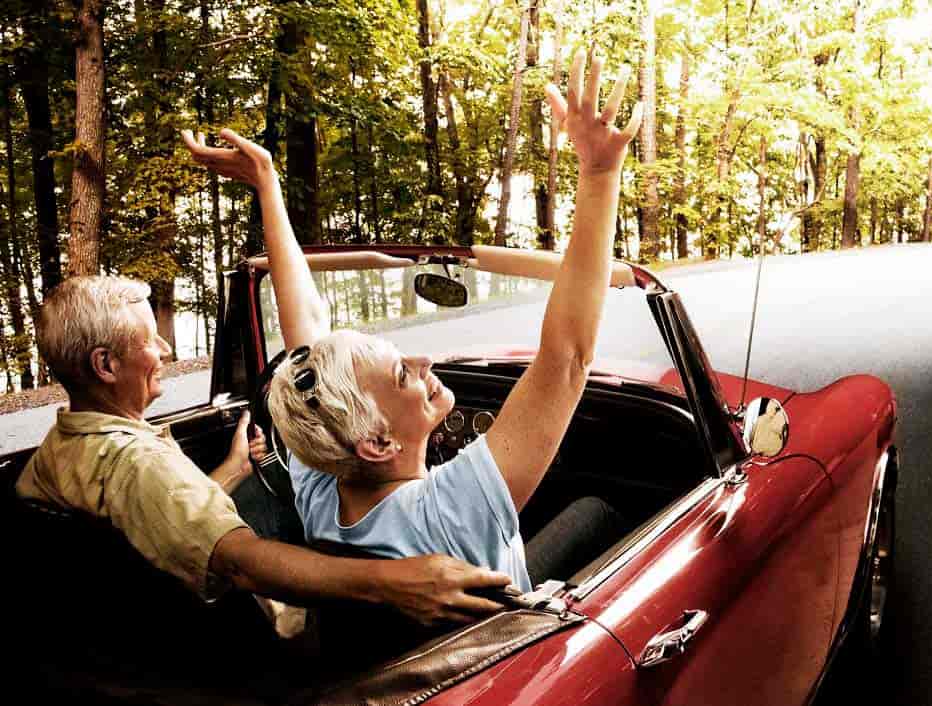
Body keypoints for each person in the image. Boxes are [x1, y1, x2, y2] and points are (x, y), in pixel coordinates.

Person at [181, 49, 638, 592]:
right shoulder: (454, 508)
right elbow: (566, 357)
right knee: (598, 511)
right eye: (402, 374)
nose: (423, 362)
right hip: (518, 635)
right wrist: (601, 172)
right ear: (377, 443)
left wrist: (268, 187)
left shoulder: (325, 479)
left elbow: (306, 326)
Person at [14, 276, 512, 626]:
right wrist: (398, 580)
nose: (166, 350)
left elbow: (153, 514)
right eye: (150, 340)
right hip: (254, 646)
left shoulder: (63, 447)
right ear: (105, 365)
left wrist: (231, 471)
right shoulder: (140, 464)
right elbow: (241, 564)